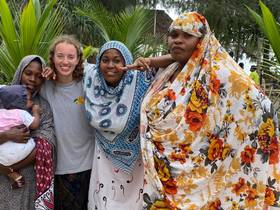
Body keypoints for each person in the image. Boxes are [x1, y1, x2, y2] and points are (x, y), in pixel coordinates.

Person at [126, 12, 279, 209]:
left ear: (201, 41)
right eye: (174, 35)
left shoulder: (220, 75)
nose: (178, 41)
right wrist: (153, 61)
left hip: (204, 176)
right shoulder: (168, 73)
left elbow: (261, 106)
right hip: (166, 176)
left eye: (187, 36)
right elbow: (178, 58)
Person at [84, 41, 173, 210]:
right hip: (103, 159)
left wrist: (150, 61)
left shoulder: (142, 78)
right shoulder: (91, 79)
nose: (111, 65)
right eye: (105, 60)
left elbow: (176, 58)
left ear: (126, 62)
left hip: (137, 163)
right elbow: (65, 65)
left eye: (117, 60)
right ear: (98, 63)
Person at [0, 55, 56, 210]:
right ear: (19, 73)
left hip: (28, 179)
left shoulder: (42, 107)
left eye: (38, 76)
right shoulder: (0, 101)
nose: (32, 79)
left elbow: (45, 145)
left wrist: (8, 169)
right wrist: (7, 135)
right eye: (28, 73)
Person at [41, 35, 95, 210]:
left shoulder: (88, 82)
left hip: (89, 165)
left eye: (71, 57)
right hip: (58, 168)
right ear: (52, 58)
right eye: (60, 56)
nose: (65, 61)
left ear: (78, 59)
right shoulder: (44, 86)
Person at [0, 85, 41, 189]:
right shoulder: (22, 113)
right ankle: (30, 167)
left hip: (3, 158)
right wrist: (36, 112)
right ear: (19, 101)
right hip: (24, 150)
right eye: (28, 99)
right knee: (40, 143)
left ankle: (13, 175)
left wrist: (2, 129)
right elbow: (35, 125)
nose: (32, 101)